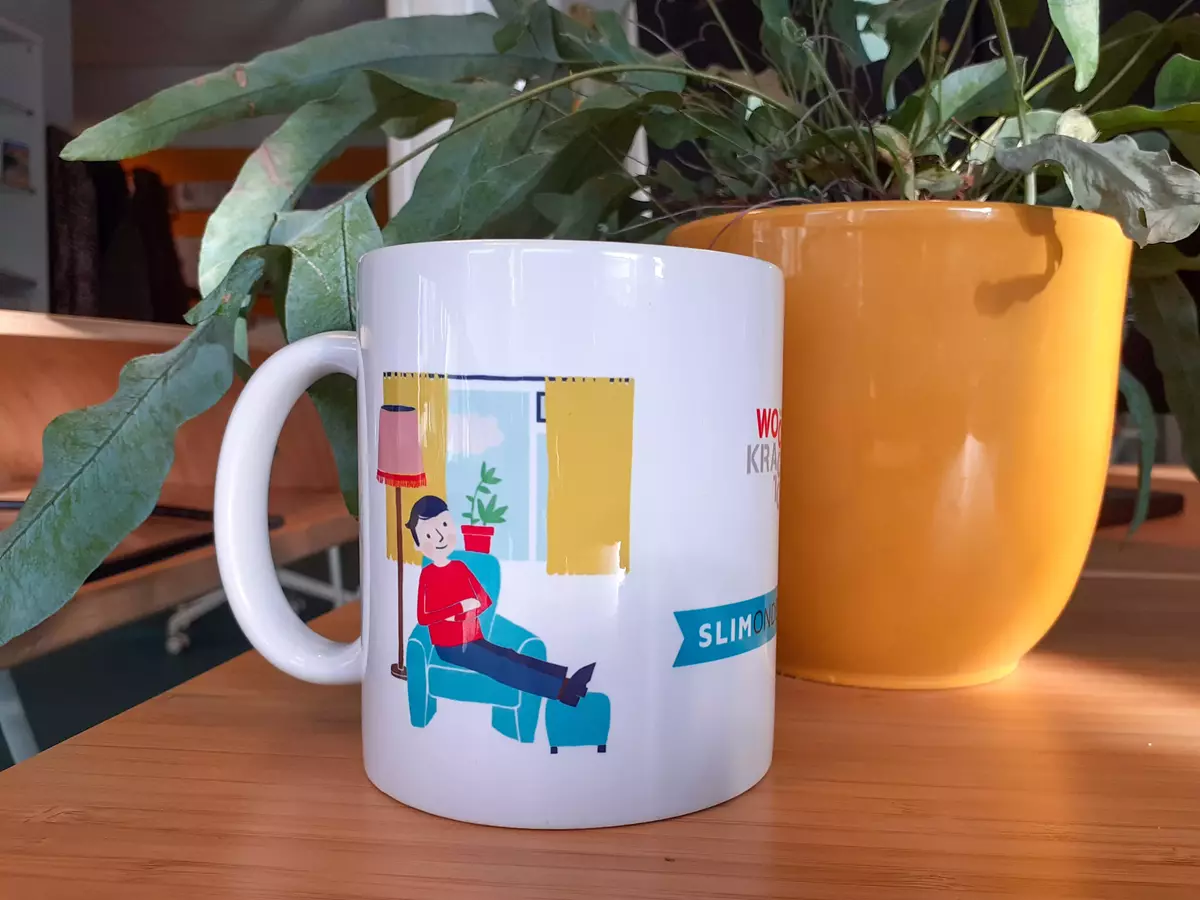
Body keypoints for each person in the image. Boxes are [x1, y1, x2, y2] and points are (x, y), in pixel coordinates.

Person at [406, 496, 595, 707]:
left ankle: (566, 684)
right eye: (429, 535)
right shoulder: (428, 575)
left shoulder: (460, 568)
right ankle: (563, 690)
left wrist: (466, 611)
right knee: (501, 664)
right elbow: (423, 617)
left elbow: (483, 601)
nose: (440, 537)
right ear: (418, 545)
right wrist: (459, 609)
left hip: (473, 638)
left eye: (444, 525)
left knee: (510, 656)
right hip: (449, 647)